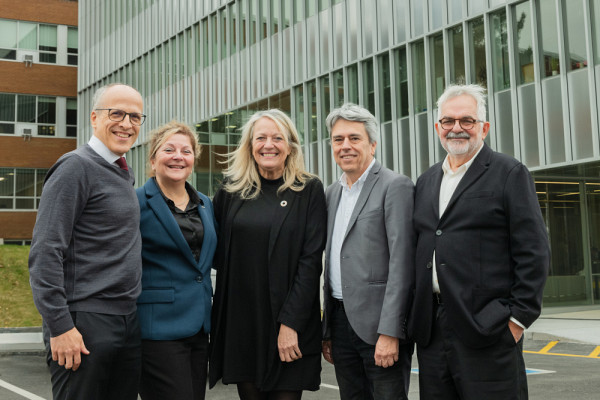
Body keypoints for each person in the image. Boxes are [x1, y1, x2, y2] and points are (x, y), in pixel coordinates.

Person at [408, 84, 550, 400]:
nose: (456, 128)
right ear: (437, 127)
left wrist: (516, 320)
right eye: (448, 121)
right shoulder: (426, 181)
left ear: (483, 127)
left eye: (467, 120)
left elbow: (534, 251)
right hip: (433, 332)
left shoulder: (508, 172)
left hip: (489, 330)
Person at [28, 83, 145, 400]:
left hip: (126, 320)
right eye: (116, 113)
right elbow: (44, 253)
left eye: (135, 116)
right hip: (84, 322)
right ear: (94, 118)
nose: (126, 123)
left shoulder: (121, 172)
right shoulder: (75, 167)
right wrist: (61, 326)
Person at [208, 109, 326, 400]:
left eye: (277, 138)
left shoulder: (308, 189)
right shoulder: (230, 190)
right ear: (249, 145)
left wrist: (290, 324)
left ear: (290, 146)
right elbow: (215, 250)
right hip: (243, 324)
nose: (268, 145)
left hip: (288, 323)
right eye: (260, 138)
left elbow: (310, 263)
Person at [321, 103, 415, 400]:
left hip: (379, 327)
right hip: (339, 320)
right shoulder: (331, 193)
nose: (345, 146)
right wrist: (328, 331)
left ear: (372, 144)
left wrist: (391, 331)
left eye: (354, 138)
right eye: (338, 140)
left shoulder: (395, 186)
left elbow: (403, 263)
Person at [136, 121, 217, 400]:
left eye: (186, 151)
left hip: (199, 327)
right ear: (153, 158)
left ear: (194, 158)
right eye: (168, 149)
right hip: (157, 329)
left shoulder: (207, 204)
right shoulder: (135, 202)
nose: (178, 156)